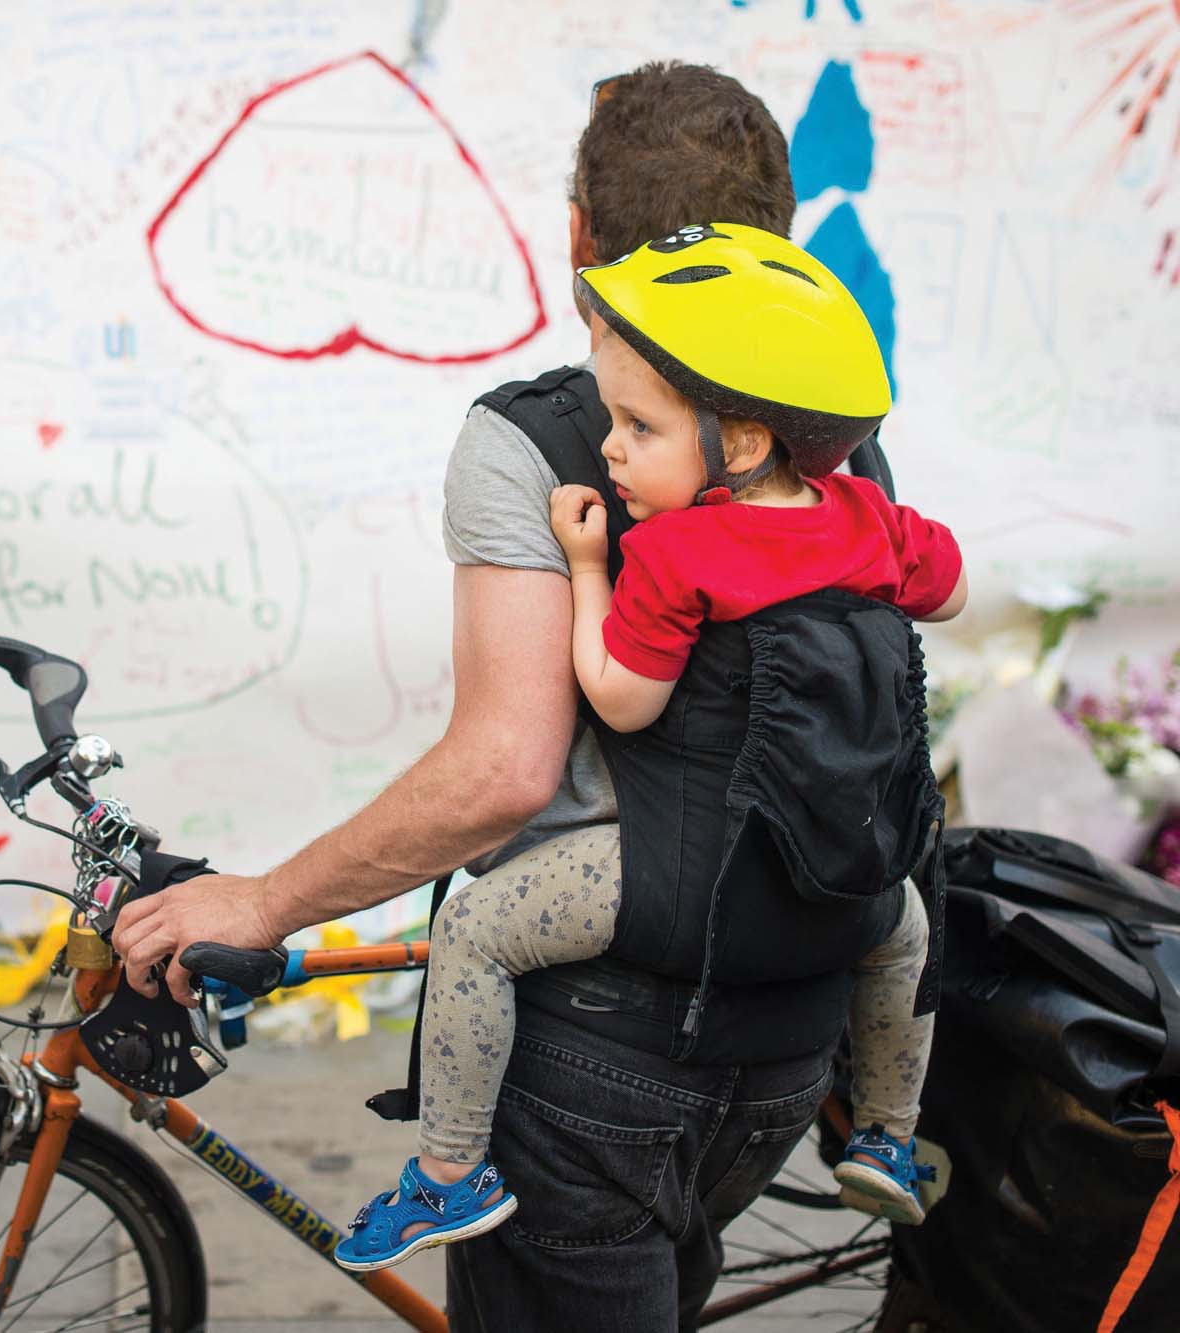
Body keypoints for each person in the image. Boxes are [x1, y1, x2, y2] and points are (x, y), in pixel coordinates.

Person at [114, 63, 921, 1329]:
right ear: (781, 238)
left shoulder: (536, 439)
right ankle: (891, 1135)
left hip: (602, 1050)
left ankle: (441, 1177)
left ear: (577, 237)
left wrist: (262, 902)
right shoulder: (829, 439)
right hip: (789, 1034)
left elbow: (503, 772)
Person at [329, 221, 964, 1275]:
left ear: (742, 444)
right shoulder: (868, 516)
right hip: (836, 871)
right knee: (905, 936)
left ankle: (446, 1173)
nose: (612, 447)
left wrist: (588, 566)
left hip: (680, 878)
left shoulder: (676, 550)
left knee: (475, 930)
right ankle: (889, 1138)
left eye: (637, 425)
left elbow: (620, 701)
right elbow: (950, 592)